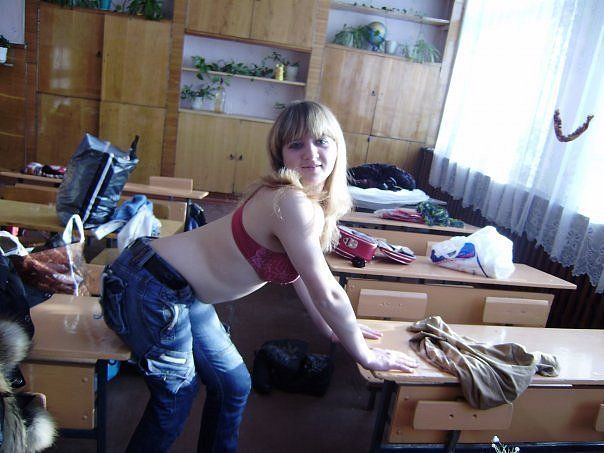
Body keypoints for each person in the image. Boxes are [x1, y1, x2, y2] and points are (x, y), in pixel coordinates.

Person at [100, 100, 418, 452]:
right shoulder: (290, 201)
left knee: (233, 384)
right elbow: (329, 293)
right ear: (280, 154)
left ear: (337, 147)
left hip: (181, 291)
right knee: (176, 396)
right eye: (296, 144)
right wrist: (365, 356)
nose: (310, 153)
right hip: (149, 285)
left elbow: (300, 274)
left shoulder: (306, 202)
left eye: (321, 141)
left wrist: (329, 327)